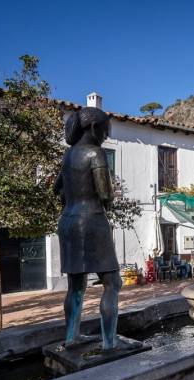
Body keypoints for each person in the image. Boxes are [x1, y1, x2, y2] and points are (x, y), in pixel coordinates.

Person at [55, 107, 124, 351]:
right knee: (113, 283)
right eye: (106, 131)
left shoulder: (68, 155)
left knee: (76, 286)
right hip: (92, 220)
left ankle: (72, 336)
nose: (106, 137)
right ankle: (110, 342)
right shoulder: (96, 153)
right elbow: (105, 194)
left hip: (67, 221)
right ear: (95, 128)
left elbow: (57, 189)